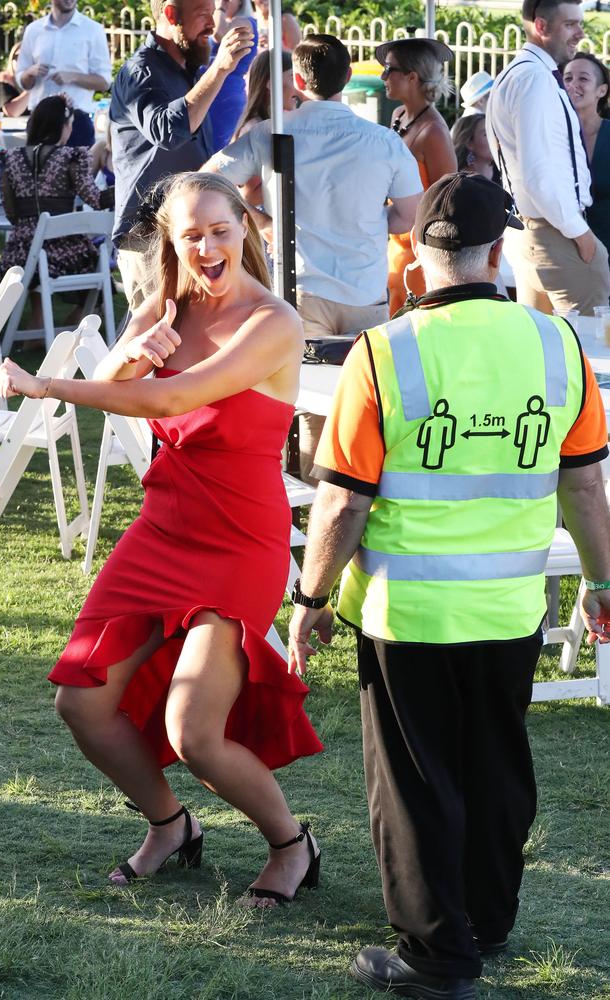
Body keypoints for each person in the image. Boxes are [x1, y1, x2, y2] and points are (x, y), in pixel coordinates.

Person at [287, 172, 610, 998]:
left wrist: (312, 600)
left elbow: (341, 501)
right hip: (509, 609)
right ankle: (486, 921)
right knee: (498, 771)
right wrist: (604, 585)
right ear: (497, 252)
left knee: (416, 786)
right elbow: (584, 489)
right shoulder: (557, 346)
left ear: (416, 260)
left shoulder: (383, 352)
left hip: (409, 614)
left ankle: (437, 955)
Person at [0, 171, 323, 905]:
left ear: (247, 227)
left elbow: (172, 397)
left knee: (194, 729)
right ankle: (170, 826)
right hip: (163, 528)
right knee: (80, 703)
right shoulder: (163, 305)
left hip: (240, 542)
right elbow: (125, 386)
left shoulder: (273, 322)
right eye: (190, 235)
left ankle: (291, 844)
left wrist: (51, 385)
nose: (206, 247)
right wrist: (137, 346)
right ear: (171, 243)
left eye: (219, 229)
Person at [206, 33, 423, 481]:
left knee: (311, 412)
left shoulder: (272, 133)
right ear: (347, 76)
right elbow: (408, 216)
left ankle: (315, 507)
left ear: (298, 81)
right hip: (364, 290)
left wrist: (260, 220)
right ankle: (358, 504)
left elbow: (208, 181)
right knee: (370, 407)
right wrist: (366, 220)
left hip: (299, 287)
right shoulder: (382, 141)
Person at [110, 0, 255, 311]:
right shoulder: (141, 71)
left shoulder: (185, 70)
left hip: (186, 234)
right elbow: (168, 131)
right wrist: (220, 68)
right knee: (156, 345)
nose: (212, 25)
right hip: (150, 238)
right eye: (202, 13)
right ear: (171, 14)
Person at [486, 0, 610, 316]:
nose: (580, 34)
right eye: (570, 24)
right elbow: (538, 175)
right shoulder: (535, 79)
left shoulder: (516, 74)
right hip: (555, 234)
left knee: (542, 352)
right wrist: (582, 236)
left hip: (531, 232)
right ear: (541, 27)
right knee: (594, 353)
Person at [0, 95, 113, 304]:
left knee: (35, 268)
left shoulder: (8, 158)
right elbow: (97, 200)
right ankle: (72, 329)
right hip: (64, 251)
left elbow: (11, 212)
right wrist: (125, 189)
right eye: (70, 125)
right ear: (63, 126)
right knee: (99, 278)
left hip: (20, 252)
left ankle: (39, 328)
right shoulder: (71, 157)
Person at [375, 38, 458, 316]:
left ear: (412, 77)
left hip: (420, 253)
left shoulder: (433, 132)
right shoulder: (400, 115)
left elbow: (449, 201)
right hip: (395, 244)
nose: (383, 76)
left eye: (389, 69)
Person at [15, 0, 112, 148]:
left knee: (77, 171)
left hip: (76, 122)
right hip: (40, 119)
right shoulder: (33, 30)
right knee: (36, 170)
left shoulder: (93, 30)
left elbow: (104, 82)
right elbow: (22, 80)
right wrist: (29, 73)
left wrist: (73, 77)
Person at [232, 50, 301, 208]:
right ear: (271, 84)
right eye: (293, 77)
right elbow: (248, 195)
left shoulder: (274, 123)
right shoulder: (255, 128)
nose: (299, 87)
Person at [564, 52, 610, 260]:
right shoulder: (555, 137)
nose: (573, 84)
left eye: (583, 78)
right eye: (567, 78)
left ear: (602, 90)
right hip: (565, 252)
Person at [208, 0, 258, 152]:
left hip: (225, 94)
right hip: (207, 90)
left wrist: (220, 8)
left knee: (219, 151)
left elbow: (218, 34)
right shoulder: (218, 20)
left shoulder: (245, 22)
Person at [451, 113, 499, 182]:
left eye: (494, 133)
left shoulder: (505, 173)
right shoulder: (459, 181)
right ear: (469, 143)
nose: (495, 138)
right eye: (486, 134)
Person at [0, 42, 30, 119]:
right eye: (18, 57)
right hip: (8, 129)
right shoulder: (4, 79)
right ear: (11, 59)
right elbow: (11, 112)